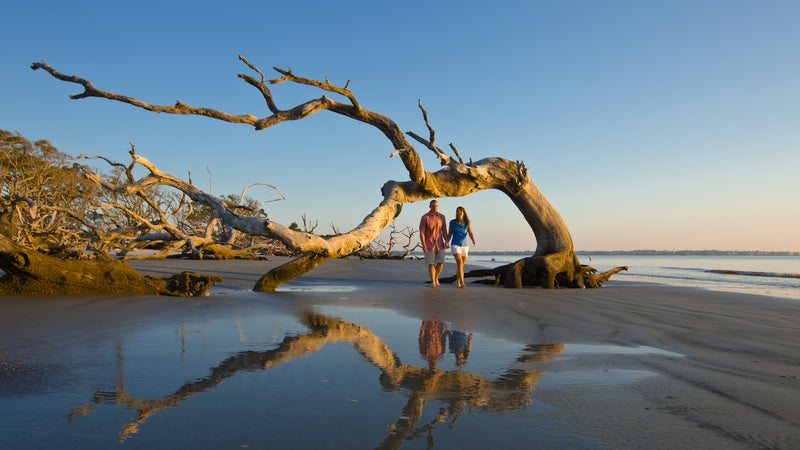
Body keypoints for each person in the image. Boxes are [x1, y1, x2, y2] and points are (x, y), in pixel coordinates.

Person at [419, 199, 448, 287]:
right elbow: (422, 232)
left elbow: (444, 230)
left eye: (436, 205)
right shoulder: (425, 217)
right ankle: (433, 282)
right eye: (433, 206)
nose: (435, 207)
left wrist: (446, 241)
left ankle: (436, 278)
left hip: (440, 244)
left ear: (438, 206)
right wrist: (423, 244)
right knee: (431, 263)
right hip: (429, 244)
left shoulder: (442, 217)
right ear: (430, 206)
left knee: (441, 262)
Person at [446, 206, 476, 288]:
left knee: (461, 266)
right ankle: (462, 282)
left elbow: (470, 232)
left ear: (463, 213)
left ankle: (458, 282)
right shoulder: (452, 222)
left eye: (460, 211)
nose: (458, 213)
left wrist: (473, 240)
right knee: (459, 263)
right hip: (455, 245)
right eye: (457, 211)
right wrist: (446, 242)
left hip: (465, 246)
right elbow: (450, 233)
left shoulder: (467, 222)